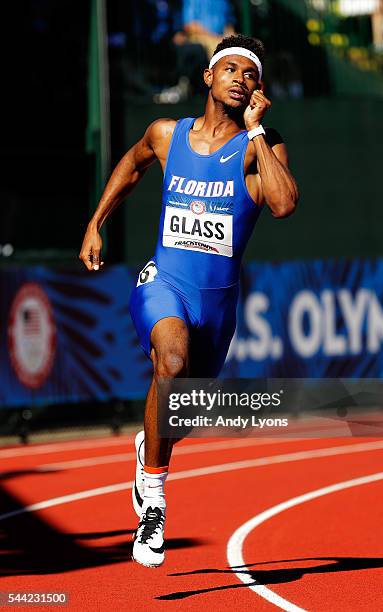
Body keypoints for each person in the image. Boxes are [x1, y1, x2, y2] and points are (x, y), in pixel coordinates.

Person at [79, 33, 299, 568]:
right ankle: (152, 500)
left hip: (217, 305)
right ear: (208, 76)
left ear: (258, 91)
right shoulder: (165, 134)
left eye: (252, 74)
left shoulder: (258, 147)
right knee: (170, 358)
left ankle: (148, 450)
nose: (241, 78)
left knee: (178, 408)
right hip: (165, 281)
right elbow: (131, 166)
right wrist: (95, 223)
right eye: (232, 69)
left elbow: (284, 204)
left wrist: (257, 131)